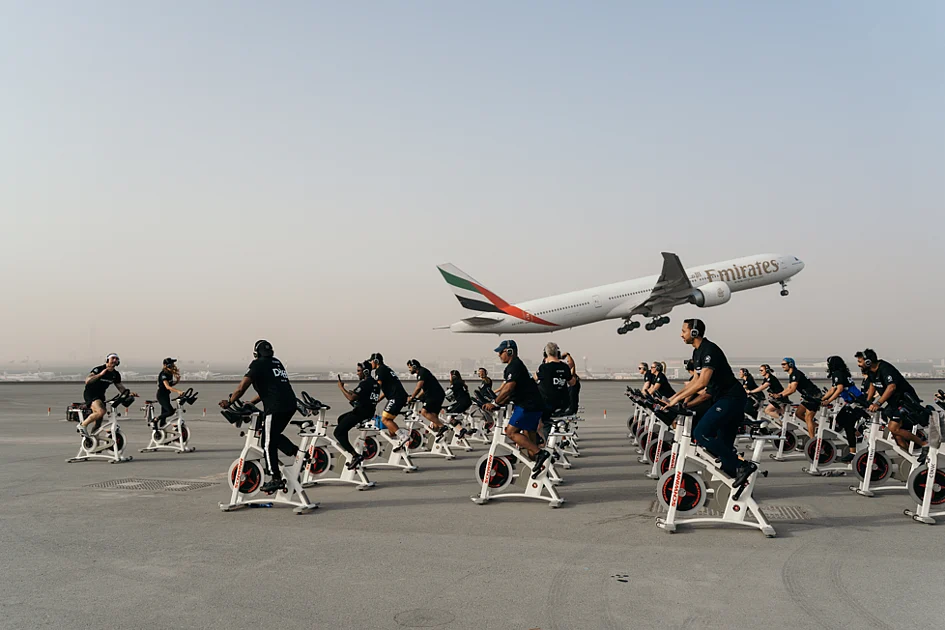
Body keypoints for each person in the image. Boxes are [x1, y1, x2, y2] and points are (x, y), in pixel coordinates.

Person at [664, 319, 756, 486]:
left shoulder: (709, 350)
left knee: (702, 434)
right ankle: (733, 485)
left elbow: (703, 382)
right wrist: (674, 398)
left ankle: (743, 465)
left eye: (683, 331)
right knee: (724, 444)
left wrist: (676, 399)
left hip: (732, 398)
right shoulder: (697, 352)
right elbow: (694, 381)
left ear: (694, 332)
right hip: (723, 399)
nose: (681, 334)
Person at [219, 340, 299, 493]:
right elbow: (270, 388)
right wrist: (252, 401)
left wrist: (229, 402)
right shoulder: (277, 363)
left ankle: (275, 478)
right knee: (273, 435)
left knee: (267, 442)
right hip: (290, 405)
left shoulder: (257, 364)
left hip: (275, 408)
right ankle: (296, 453)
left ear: (256, 353)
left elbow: (241, 387)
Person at [483, 339, 551, 475]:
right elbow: (512, 392)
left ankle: (540, 454)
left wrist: (495, 403)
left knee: (511, 432)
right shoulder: (517, 365)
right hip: (533, 405)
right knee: (529, 436)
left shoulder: (514, 366)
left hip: (527, 406)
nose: (499, 355)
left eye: (501, 352)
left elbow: (509, 388)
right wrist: (499, 401)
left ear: (509, 352)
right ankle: (538, 470)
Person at [859, 348, 929, 462]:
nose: (858, 364)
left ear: (868, 362)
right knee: (896, 434)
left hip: (905, 401)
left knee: (893, 428)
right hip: (894, 403)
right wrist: (867, 401)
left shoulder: (885, 369)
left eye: (860, 361)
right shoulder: (871, 372)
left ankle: (924, 444)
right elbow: (873, 385)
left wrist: (878, 403)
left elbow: (891, 387)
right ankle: (909, 460)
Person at [821, 355, 867, 463]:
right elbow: (832, 389)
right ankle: (859, 436)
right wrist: (821, 399)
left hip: (857, 402)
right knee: (840, 419)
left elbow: (839, 389)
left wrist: (828, 401)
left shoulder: (838, 373)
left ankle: (852, 452)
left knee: (847, 425)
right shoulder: (838, 373)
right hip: (851, 402)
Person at [78, 353, 137, 436]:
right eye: (113, 358)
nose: (114, 360)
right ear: (107, 360)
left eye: (116, 359)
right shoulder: (99, 369)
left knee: (98, 422)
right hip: (91, 394)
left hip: (101, 395)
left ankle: (93, 441)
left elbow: (120, 387)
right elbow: (87, 380)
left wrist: (129, 394)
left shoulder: (115, 374)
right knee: (101, 411)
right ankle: (82, 425)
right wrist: (100, 375)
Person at [336, 361, 381, 469]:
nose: (357, 373)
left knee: (337, 433)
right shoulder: (374, 383)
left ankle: (355, 456)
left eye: (359, 371)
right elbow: (362, 395)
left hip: (361, 413)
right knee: (341, 419)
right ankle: (347, 445)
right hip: (368, 411)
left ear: (365, 372)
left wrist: (341, 388)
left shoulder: (365, 383)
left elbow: (352, 398)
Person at [772, 358, 822, 439]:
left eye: (784, 364)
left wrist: (781, 396)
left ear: (790, 364)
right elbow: (788, 388)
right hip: (807, 396)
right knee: (798, 414)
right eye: (782, 364)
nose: (782, 366)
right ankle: (817, 426)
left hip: (814, 396)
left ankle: (812, 440)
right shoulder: (792, 375)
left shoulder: (796, 374)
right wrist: (777, 395)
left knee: (808, 418)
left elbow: (792, 390)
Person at [370, 353, 411, 451]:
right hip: (398, 396)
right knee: (389, 420)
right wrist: (376, 401)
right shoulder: (386, 369)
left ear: (376, 361)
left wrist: (370, 396)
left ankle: (403, 436)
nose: (370, 363)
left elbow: (378, 386)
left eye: (371, 361)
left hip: (396, 397)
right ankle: (395, 441)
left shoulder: (380, 370)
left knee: (385, 420)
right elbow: (385, 390)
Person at [536, 342, 576, 440]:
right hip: (563, 404)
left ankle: (542, 444)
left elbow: (533, 380)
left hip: (547, 405)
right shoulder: (564, 367)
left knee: (536, 422)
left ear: (545, 354)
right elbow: (572, 383)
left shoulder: (544, 368)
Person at [406, 359, 449, 440]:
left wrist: (411, 397)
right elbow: (423, 389)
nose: (409, 369)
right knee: (433, 416)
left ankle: (442, 426)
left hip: (434, 395)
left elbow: (419, 387)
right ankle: (436, 437)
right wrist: (417, 397)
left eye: (410, 367)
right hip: (438, 395)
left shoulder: (422, 372)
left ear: (414, 367)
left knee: (424, 412)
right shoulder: (423, 372)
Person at [154, 358, 185, 429]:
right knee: (170, 411)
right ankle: (156, 419)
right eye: (171, 364)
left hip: (166, 395)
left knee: (164, 414)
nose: (173, 366)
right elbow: (167, 386)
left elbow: (170, 385)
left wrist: (177, 381)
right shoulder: (163, 374)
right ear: (166, 365)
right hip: (161, 395)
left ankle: (161, 430)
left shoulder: (169, 374)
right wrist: (178, 391)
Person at [444, 370, 475, 438]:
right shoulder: (461, 383)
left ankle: (461, 429)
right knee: (448, 409)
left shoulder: (455, 383)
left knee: (450, 415)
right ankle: (458, 426)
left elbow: (447, 393)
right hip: (466, 402)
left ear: (453, 376)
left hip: (462, 403)